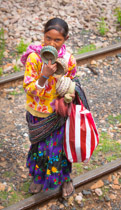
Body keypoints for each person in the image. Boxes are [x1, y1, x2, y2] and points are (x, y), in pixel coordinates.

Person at [21, 17, 89, 198]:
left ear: (66, 39)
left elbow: (72, 81)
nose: (52, 43)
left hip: (59, 114)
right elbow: (29, 87)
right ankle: (38, 176)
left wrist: (69, 91)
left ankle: (65, 178)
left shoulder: (68, 60)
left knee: (59, 148)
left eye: (57, 40)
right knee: (39, 147)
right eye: (48, 38)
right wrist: (44, 76)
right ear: (43, 36)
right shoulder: (34, 59)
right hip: (38, 114)